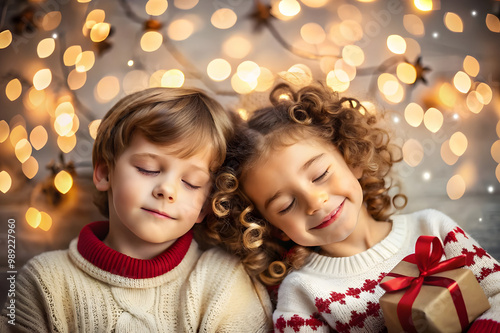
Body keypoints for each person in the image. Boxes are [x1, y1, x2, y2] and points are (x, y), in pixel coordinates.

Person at [206, 83, 500, 332]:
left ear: (352, 158)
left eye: (321, 175)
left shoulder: (433, 229)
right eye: (286, 206)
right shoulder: (302, 294)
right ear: (270, 227)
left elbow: (497, 292)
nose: (315, 201)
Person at [0, 87, 272, 332]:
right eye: (148, 169)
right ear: (105, 173)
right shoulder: (44, 281)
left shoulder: (224, 283)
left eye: (191, 183)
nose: (167, 190)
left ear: (206, 206)